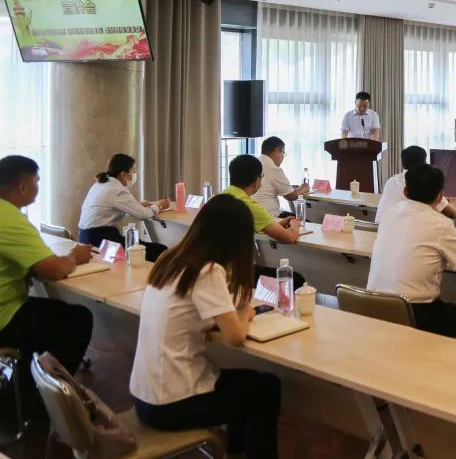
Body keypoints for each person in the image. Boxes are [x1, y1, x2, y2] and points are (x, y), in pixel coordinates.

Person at [130, 194, 281, 458]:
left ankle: (235, 451)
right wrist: (245, 313)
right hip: (171, 403)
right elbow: (235, 336)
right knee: (266, 389)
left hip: (145, 395)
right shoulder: (207, 270)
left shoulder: (171, 258)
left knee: (249, 386)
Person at [367, 164, 456, 344]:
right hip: (414, 311)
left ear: (405, 192)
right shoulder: (440, 224)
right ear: (440, 196)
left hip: (371, 304)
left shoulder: (390, 213)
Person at [0, 155, 94, 384]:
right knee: (78, 318)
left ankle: (28, 373)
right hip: (4, 318)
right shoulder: (8, 217)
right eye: (37, 181)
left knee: (56, 311)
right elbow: (53, 269)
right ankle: (44, 390)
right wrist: (74, 256)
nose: (38, 187)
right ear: (23, 186)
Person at [224, 155, 305, 287]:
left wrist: (277, 225)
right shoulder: (247, 205)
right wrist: (295, 225)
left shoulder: (218, 198)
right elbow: (289, 238)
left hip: (210, 270)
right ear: (257, 181)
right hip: (232, 274)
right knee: (296, 280)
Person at [78, 153, 170, 261]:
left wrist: (137, 205)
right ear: (123, 174)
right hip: (101, 240)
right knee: (161, 251)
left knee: (144, 247)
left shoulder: (101, 184)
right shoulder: (117, 190)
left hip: (86, 237)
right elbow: (143, 214)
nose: (135, 174)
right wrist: (160, 206)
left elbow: (111, 208)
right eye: (133, 171)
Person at [375, 146, 456, 224]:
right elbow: (453, 213)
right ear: (425, 163)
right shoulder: (423, 183)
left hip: (379, 229)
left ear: (403, 164)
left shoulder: (391, 180)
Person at [252, 137, 309, 218]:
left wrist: (290, 187)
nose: (283, 157)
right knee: (305, 221)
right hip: (270, 216)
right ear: (277, 151)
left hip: (252, 214)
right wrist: (305, 187)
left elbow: (268, 187)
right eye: (283, 153)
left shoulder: (255, 162)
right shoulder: (273, 168)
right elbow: (291, 196)